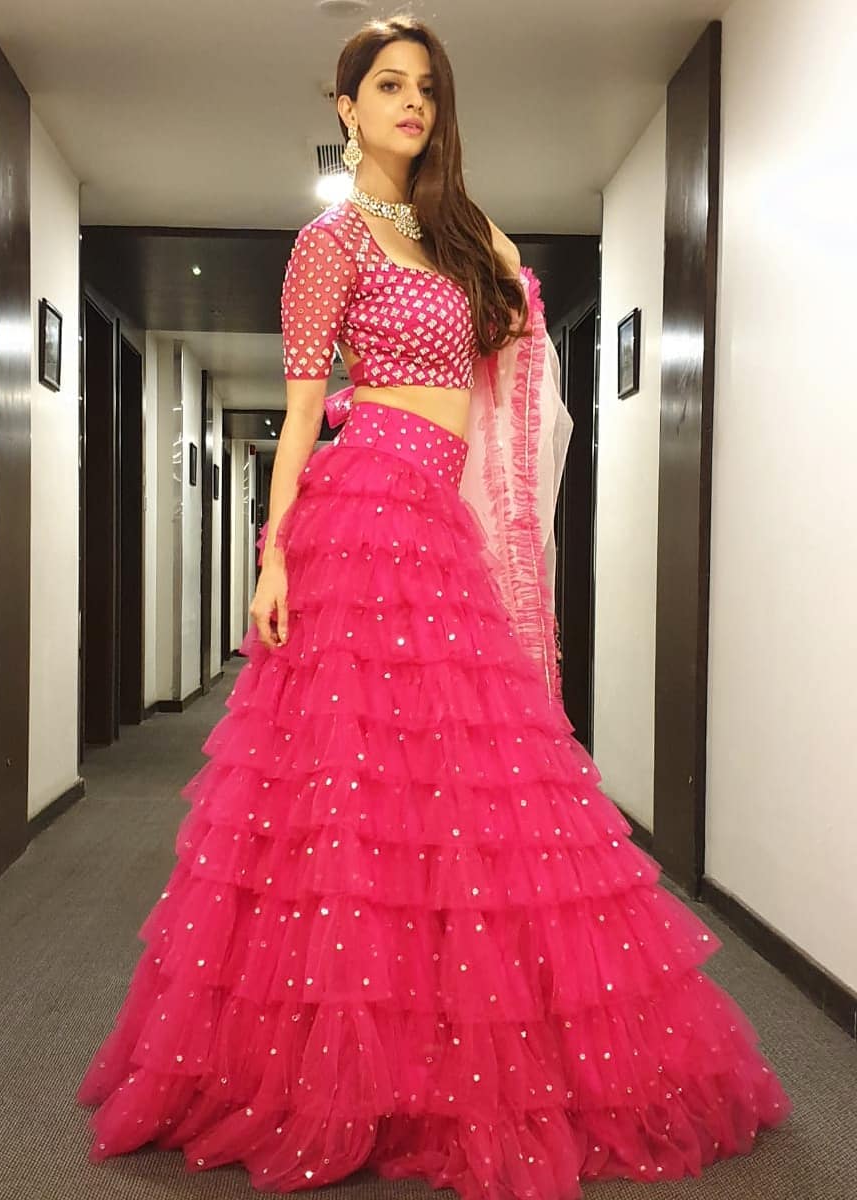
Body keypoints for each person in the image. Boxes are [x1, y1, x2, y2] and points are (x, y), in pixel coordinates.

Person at [77, 15, 791, 1200]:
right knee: (354, 786)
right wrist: (271, 555)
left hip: (437, 517)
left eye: (427, 88)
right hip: (360, 512)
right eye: (389, 86)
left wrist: (469, 227)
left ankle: (444, 1045)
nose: (413, 103)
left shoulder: (448, 232)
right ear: (346, 106)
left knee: (464, 781)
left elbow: (513, 316)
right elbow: (300, 414)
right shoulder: (328, 244)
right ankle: (333, 1064)